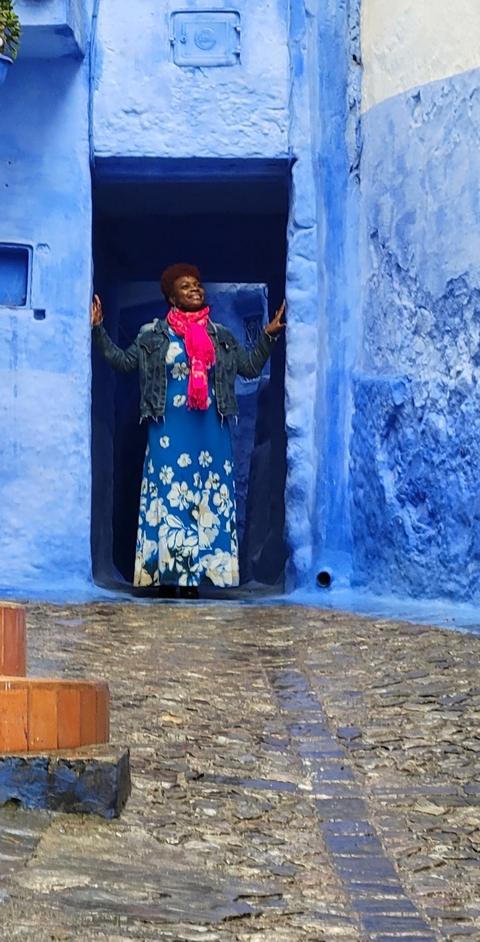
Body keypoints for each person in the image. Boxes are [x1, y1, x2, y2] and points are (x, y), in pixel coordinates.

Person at [91, 263, 285, 599]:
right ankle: (169, 577)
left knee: (205, 501)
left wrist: (269, 333)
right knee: (170, 500)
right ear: (171, 297)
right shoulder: (152, 336)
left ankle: (194, 580)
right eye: (185, 286)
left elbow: (251, 367)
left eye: (197, 284)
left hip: (211, 432)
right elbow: (123, 363)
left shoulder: (220, 336)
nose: (195, 289)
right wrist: (98, 330)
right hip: (168, 432)